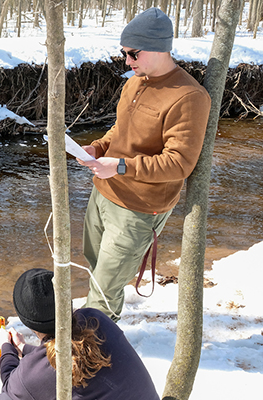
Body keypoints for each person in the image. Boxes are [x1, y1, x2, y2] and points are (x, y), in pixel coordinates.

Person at [76, 7, 211, 321]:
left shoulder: (189, 96)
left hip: (138, 209)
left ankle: (91, 359)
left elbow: (179, 163)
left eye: (133, 54)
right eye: (124, 53)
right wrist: (97, 148)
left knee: (105, 289)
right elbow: (120, 131)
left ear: (159, 48)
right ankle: (94, 338)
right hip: (103, 193)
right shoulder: (135, 82)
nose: (127, 62)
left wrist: (121, 166)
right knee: (96, 269)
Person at [0, 268, 160, 400]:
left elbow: (11, 388)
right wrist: (23, 348)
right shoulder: (95, 318)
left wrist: (6, 347)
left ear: (27, 321)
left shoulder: (32, 377)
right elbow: (62, 356)